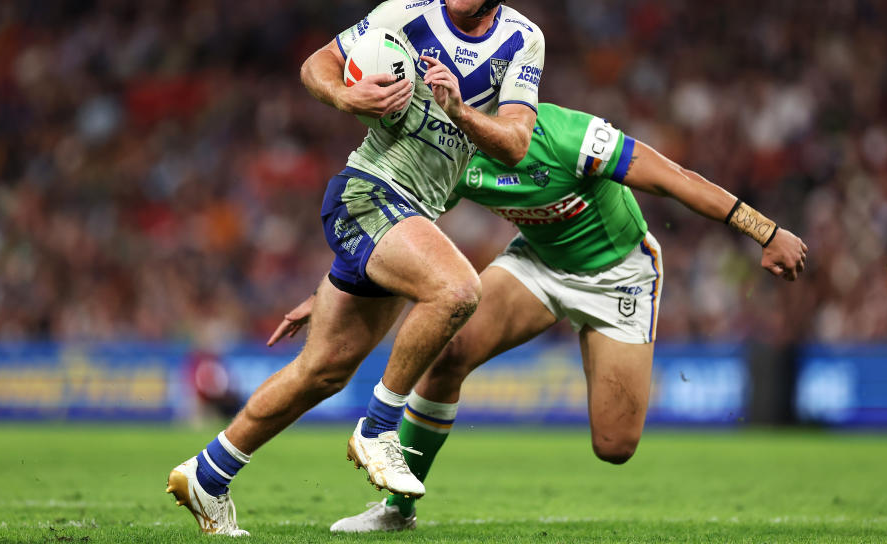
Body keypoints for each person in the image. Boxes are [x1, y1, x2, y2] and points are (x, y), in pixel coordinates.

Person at [165, 0, 545, 536]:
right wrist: (347, 98)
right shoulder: (404, 13)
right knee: (457, 290)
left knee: (324, 369)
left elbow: (514, 144)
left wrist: (460, 112)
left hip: (404, 222)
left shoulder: (522, 42)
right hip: (367, 192)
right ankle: (377, 429)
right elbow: (318, 64)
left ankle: (206, 476)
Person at [270, 103, 808, 532]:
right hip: (539, 265)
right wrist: (329, 294)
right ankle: (397, 510)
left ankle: (599, 345)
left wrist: (765, 230)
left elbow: (672, 178)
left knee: (614, 447)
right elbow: (391, 234)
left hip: (619, 276)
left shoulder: (570, 135)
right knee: (447, 352)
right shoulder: (453, 158)